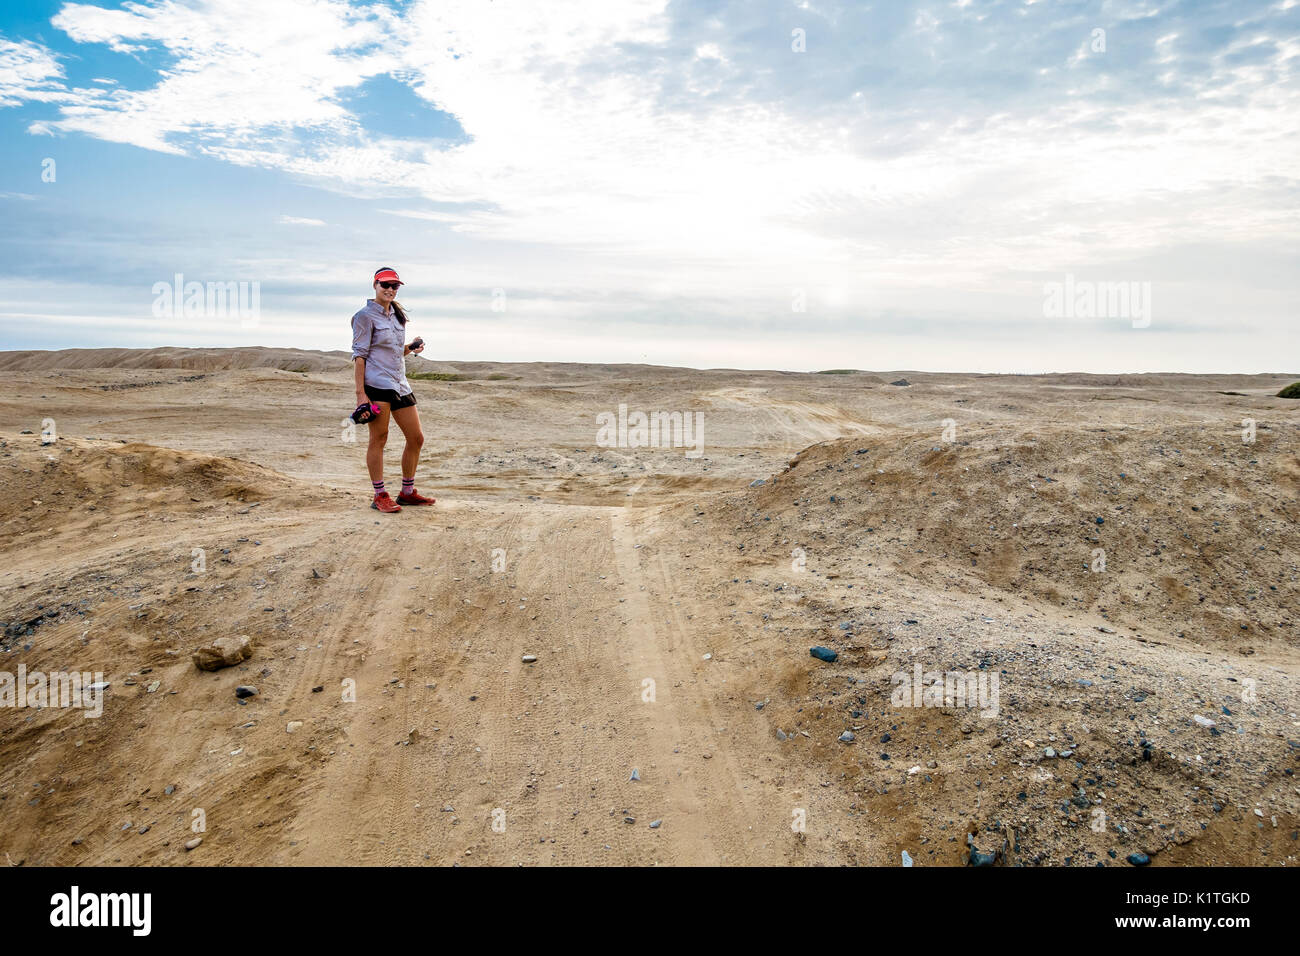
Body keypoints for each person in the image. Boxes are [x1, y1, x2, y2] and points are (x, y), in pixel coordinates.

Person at [350, 267, 435, 512]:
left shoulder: (398, 316)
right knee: (379, 438)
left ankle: (407, 492)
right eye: (385, 285)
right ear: (375, 285)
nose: (389, 289)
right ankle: (380, 495)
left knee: (416, 438)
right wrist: (360, 395)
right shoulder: (364, 317)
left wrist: (411, 347)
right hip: (377, 385)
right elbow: (360, 356)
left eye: (394, 286)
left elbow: (395, 352)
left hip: (400, 384)